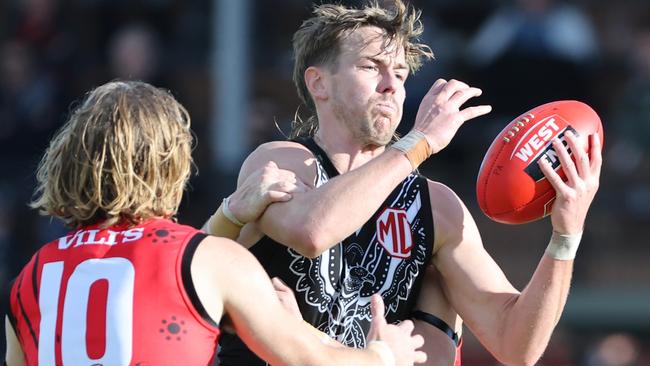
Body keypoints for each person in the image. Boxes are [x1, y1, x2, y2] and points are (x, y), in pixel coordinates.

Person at [212, 1, 602, 365]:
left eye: (399, 73)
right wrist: (420, 143)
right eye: (370, 67)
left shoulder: (435, 206)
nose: (391, 85)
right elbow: (314, 231)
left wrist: (565, 236)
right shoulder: (283, 160)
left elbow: (517, 345)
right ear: (319, 84)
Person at [3, 80, 429, 366]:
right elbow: (303, 358)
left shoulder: (33, 277)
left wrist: (230, 214)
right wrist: (382, 354)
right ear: (172, 164)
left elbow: (156, 281)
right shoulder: (211, 260)